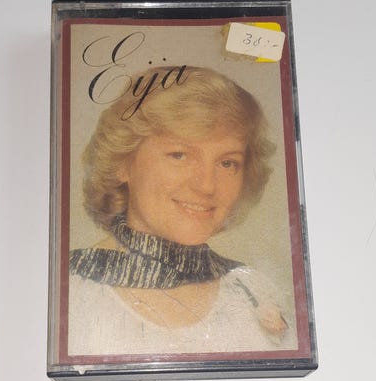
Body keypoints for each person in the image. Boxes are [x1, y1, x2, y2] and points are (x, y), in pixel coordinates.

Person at [68, 66, 292, 356]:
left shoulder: (253, 291)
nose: (207, 185)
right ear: (122, 163)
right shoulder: (69, 289)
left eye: (227, 163)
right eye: (179, 155)